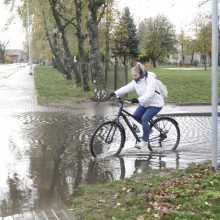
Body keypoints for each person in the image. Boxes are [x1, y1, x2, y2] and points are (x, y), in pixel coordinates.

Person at [109, 57, 164, 149]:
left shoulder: (150, 79)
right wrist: (115, 92)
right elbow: (127, 87)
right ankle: (148, 130)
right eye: (132, 75)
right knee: (135, 116)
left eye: (135, 75)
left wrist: (138, 100)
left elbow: (150, 94)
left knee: (144, 119)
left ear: (141, 74)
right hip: (145, 103)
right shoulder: (136, 81)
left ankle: (145, 141)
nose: (133, 77)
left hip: (155, 104)